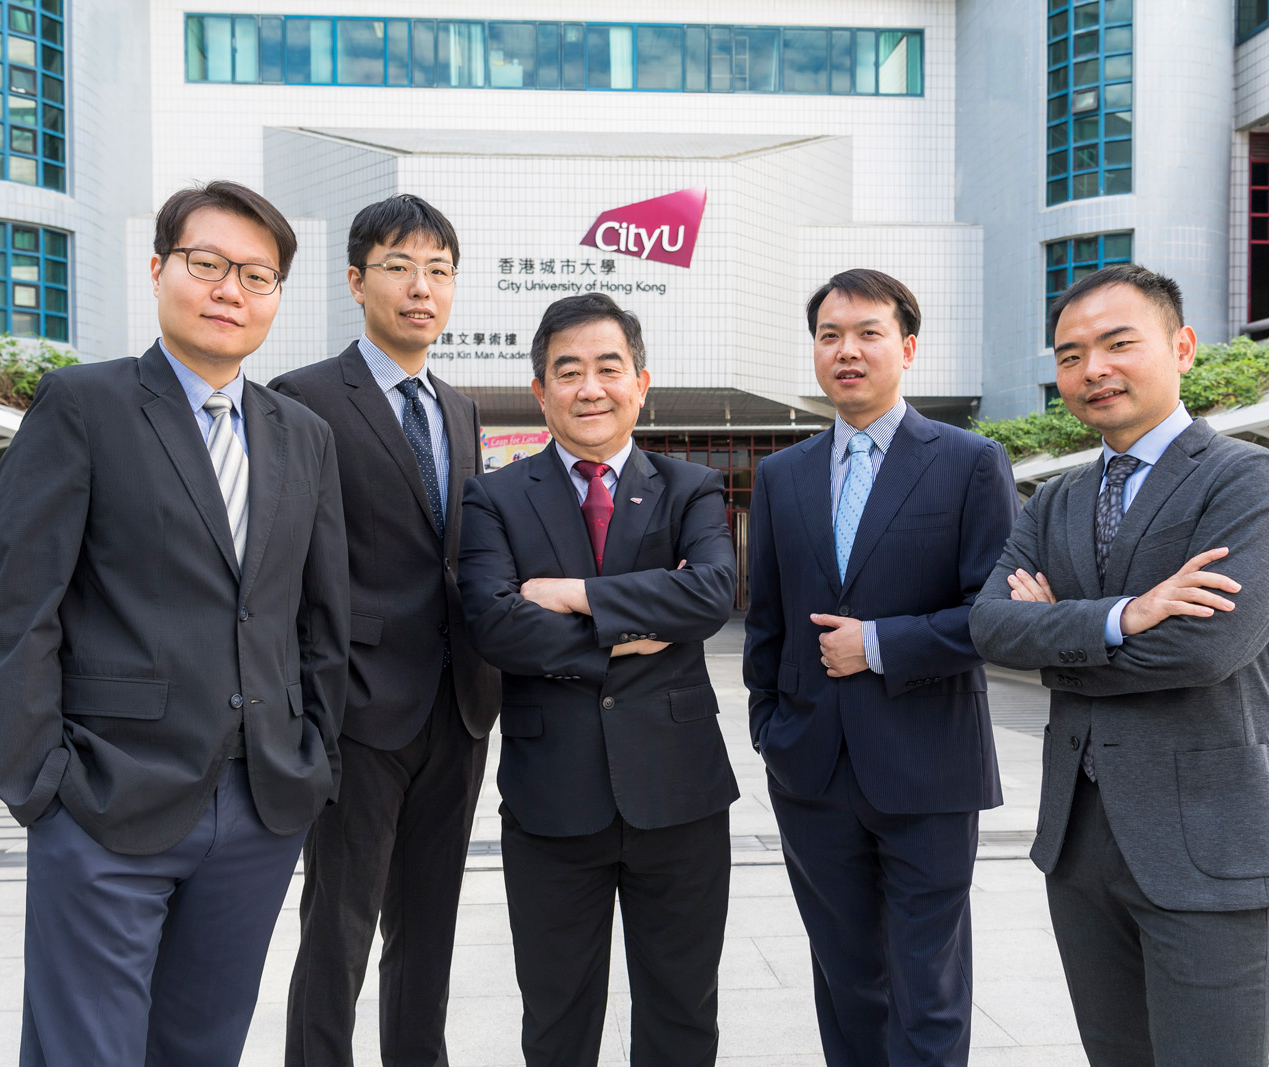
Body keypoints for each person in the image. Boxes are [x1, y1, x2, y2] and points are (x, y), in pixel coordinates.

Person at [0, 180, 349, 1067]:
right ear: (158, 269)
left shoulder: (302, 435)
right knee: (86, 1051)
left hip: (259, 806)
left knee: (202, 1046)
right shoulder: (83, 406)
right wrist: (43, 784)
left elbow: (320, 616)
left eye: (257, 276)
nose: (230, 291)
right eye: (208, 264)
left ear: (277, 298)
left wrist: (314, 755)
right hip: (105, 798)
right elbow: (19, 610)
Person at [970, 263, 1269, 1067]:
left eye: (1119, 344)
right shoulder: (1056, 500)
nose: (1095, 370)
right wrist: (1127, 614)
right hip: (1079, 843)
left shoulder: (1249, 481)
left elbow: (1206, 647)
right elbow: (989, 625)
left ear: (1182, 346)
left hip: (1208, 843)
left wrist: (1060, 634)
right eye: (1071, 354)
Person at [744, 269, 1018, 1066]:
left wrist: (880, 643)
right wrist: (771, 726)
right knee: (846, 978)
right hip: (812, 770)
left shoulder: (971, 461)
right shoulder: (781, 473)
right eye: (830, 336)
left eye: (867, 332)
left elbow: (995, 614)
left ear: (908, 347)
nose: (847, 351)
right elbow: (767, 621)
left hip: (928, 766)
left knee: (927, 986)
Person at [458, 293, 738, 1067]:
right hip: (553, 801)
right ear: (540, 390)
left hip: (680, 797)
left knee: (682, 1013)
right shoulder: (495, 496)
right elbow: (494, 622)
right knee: (555, 1019)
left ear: (641, 382)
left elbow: (711, 594)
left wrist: (573, 595)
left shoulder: (691, 488)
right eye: (568, 371)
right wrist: (628, 633)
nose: (590, 388)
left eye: (608, 368)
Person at [271, 194, 499, 1067]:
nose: (421, 288)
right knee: (338, 927)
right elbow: (286, 563)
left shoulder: (461, 408)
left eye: (439, 271)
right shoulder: (303, 398)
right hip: (356, 709)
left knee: (430, 928)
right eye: (400, 267)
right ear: (357, 279)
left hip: (461, 704)